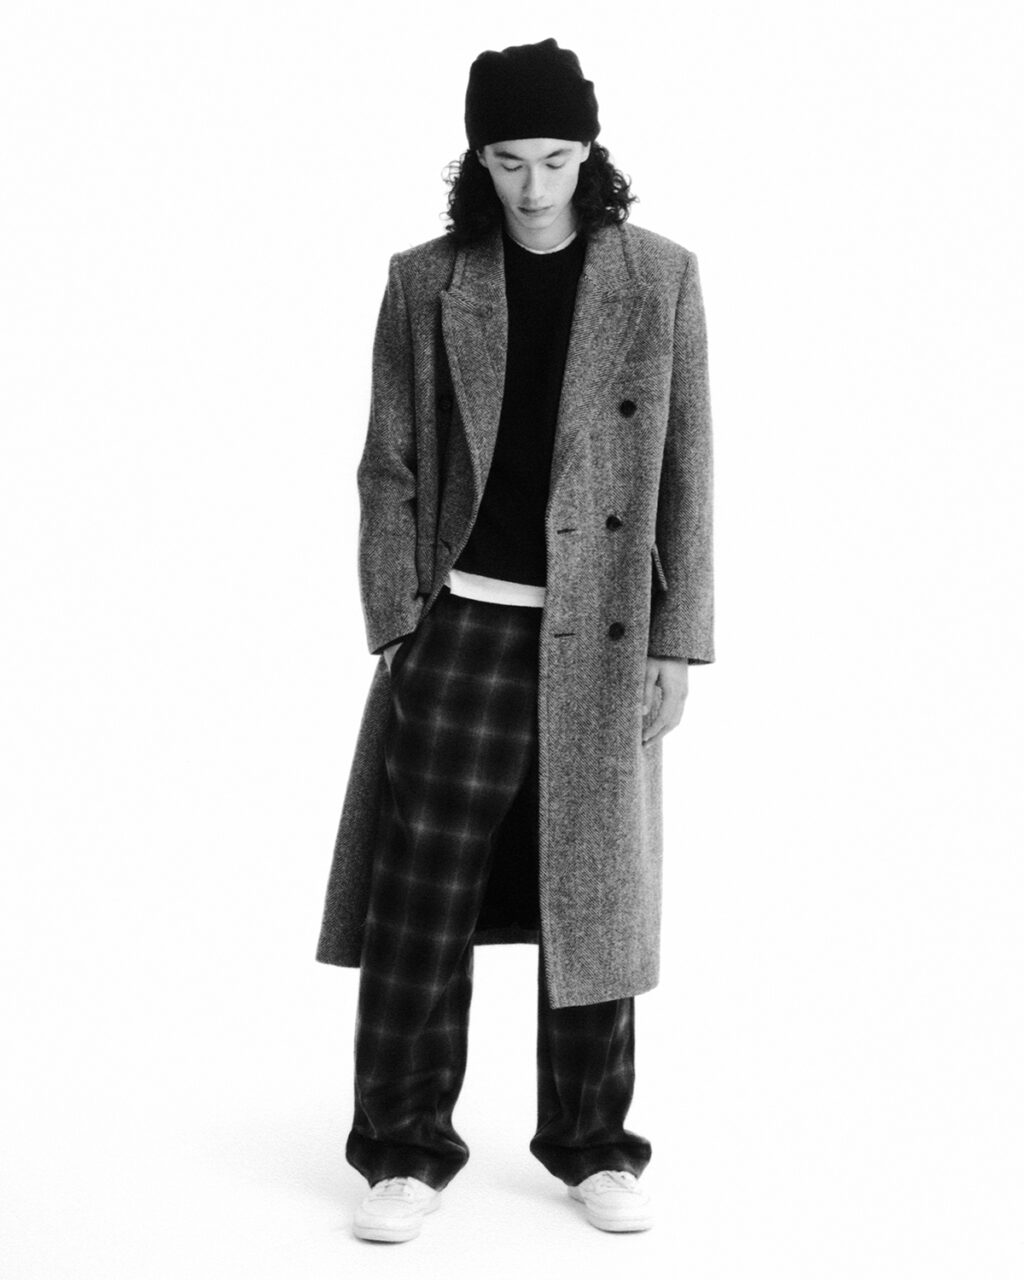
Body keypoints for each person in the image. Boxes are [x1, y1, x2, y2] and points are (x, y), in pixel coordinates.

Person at [315, 36, 714, 1243]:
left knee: (592, 893)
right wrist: (398, 617)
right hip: (463, 625)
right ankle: (401, 1147)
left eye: (554, 157)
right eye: (507, 160)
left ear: (590, 151)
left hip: (603, 631)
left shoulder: (660, 276)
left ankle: (594, 1143)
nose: (533, 186)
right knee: (419, 898)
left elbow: (688, 467)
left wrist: (677, 639)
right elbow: (387, 462)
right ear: (475, 158)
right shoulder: (427, 280)